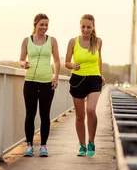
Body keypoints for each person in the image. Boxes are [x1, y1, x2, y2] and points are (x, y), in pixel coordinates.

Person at [19, 13, 60, 157]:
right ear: (35, 24)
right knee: (30, 115)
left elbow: (56, 61)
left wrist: (55, 76)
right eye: (41, 24)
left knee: (45, 115)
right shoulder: (27, 40)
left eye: (46, 25)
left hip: (46, 83)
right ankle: (29, 145)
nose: (44, 27)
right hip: (30, 81)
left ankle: (43, 146)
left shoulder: (52, 41)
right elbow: (21, 59)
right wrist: (24, 64)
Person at [64, 14, 105, 157]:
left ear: (93, 27)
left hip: (94, 79)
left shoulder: (98, 41)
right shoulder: (72, 42)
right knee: (80, 115)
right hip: (77, 80)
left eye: (89, 27)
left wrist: (101, 75)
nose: (86, 29)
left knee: (91, 110)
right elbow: (66, 62)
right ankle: (82, 145)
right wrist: (72, 65)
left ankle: (91, 142)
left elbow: (99, 60)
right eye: (83, 27)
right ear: (80, 26)